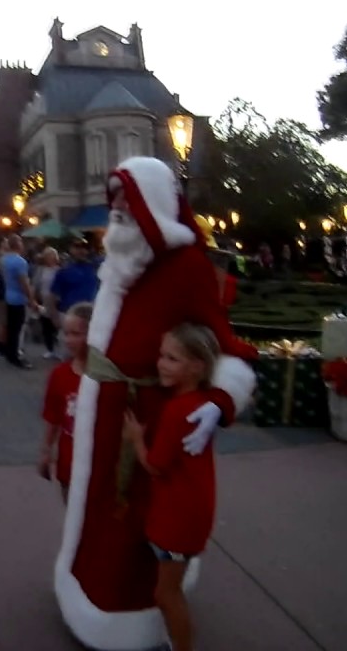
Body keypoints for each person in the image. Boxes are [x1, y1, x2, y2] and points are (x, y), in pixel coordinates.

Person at [53, 157, 257, 651]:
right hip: (103, 409)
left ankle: (127, 615)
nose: (117, 210)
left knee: (131, 520)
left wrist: (221, 399)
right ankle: (84, 590)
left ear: (154, 204)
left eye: (128, 199)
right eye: (115, 200)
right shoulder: (120, 261)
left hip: (145, 416)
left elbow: (224, 344)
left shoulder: (187, 266)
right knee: (94, 509)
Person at [123, 323, 224, 651]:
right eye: (162, 355)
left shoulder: (177, 410)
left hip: (178, 518)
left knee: (166, 594)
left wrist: (136, 439)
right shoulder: (201, 401)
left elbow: (155, 465)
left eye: (172, 359)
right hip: (191, 510)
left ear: (196, 366)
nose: (161, 364)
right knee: (169, 588)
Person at [38, 302, 92, 503]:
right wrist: (46, 451)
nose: (68, 340)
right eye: (66, 334)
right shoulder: (60, 375)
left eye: (76, 334)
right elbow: (53, 418)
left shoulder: (107, 377)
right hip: (70, 466)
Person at [0, 235, 38, 368]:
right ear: (17, 245)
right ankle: (16, 355)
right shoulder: (20, 262)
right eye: (21, 242)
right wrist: (31, 299)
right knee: (18, 328)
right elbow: (24, 283)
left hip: (8, 295)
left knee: (11, 327)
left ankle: (10, 353)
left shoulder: (4, 260)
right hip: (18, 298)